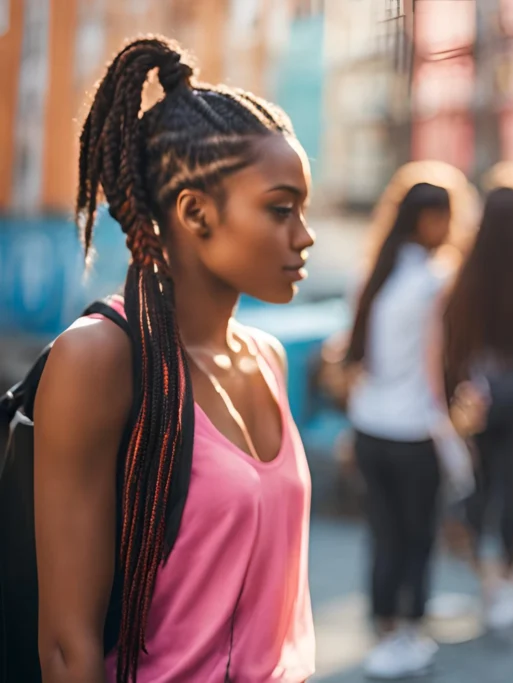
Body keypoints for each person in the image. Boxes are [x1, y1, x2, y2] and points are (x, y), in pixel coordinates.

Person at [33, 37, 316, 682]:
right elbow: (65, 647)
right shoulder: (100, 359)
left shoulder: (267, 359)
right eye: (281, 209)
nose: (305, 235)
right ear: (195, 212)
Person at [343, 178, 461, 679]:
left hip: (370, 425)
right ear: (426, 220)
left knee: (383, 532)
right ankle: (411, 632)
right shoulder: (436, 280)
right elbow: (446, 364)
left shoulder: (373, 274)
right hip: (415, 430)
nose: (451, 227)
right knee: (416, 536)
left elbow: (353, 359)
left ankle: (386, 628)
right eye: (445, 216)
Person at [444, 185, 513, 630]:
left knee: (478, 484)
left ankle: (487, 577)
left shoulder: (469, 268)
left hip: (481, 392)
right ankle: (506, 579)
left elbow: (456, 335)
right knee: (512, 485)